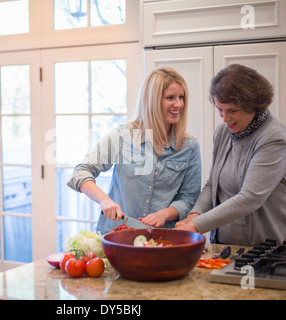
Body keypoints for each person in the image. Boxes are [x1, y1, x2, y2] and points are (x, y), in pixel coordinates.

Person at [176, 64, 286, 246]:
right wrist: (194, 215)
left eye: (232, 110)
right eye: (220, 109)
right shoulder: (223, 133)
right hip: (225, 247)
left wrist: (196, 226)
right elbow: (212, 185)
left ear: (253, 105)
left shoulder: (274, 137)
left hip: (274, 249)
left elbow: (250, 198)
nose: (224, 117)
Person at [67, 67, 202, 235]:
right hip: (116, 236)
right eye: (170, 98)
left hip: (161, 238)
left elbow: (189, 198)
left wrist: (165, 213)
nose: (179, 104)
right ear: (152, 101)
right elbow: (81, 172)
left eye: (181, 97)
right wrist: (105, 201)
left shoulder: (189, 147)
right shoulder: (123, 136)